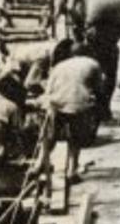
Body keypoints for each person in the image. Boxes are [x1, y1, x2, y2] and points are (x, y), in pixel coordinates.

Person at [43, 43, 106, 183]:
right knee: (75, 138)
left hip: (56, 103)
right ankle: (72, 171)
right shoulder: (92, 63)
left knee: (50, 136)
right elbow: (99, 89)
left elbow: (48, 89)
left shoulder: (59, 66)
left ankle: (40, 164)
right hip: (77, 104)